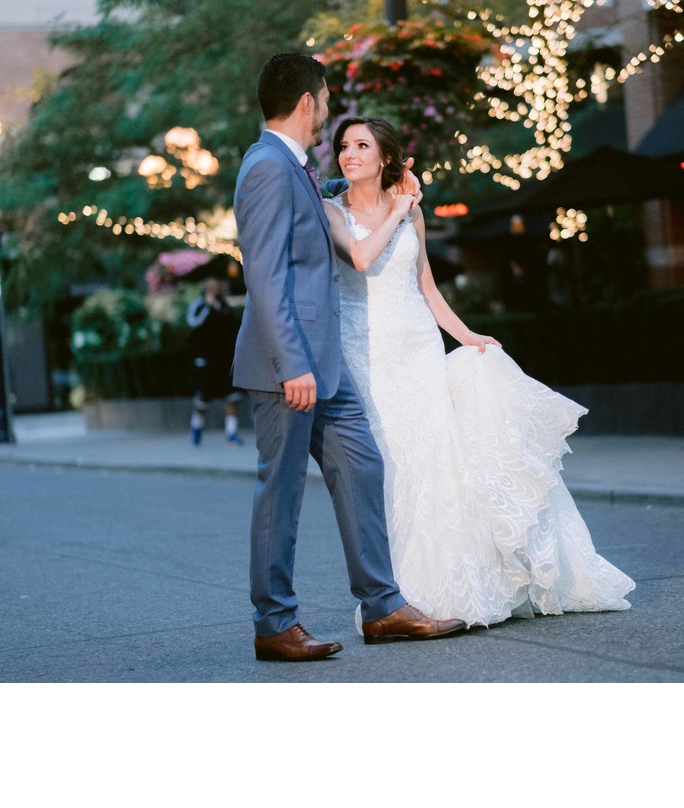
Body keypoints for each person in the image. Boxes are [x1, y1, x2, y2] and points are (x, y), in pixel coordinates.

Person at [323, 116, 635, 628]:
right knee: (393, 467)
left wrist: (466, 336)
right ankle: (397, 595)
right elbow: (358, 257)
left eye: (361, 145)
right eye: (343, 146)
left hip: (419, 347)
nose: (349, 153)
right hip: (367, 352)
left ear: (384, 158)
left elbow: (426, 287)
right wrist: (400, 205)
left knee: (437, 459)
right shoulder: (331, 210)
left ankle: (460, 584)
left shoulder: (412, 216)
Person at [231, 53, 466, 661]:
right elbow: (264, 274)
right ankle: (275, 624)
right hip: (291, 369)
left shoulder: (294, 168)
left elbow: (325, 199)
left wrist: (390, 187)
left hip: (324, 367)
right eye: (328, 99)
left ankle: (383, 606)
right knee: (280, 493)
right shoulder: (265, 167)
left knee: (362, 467)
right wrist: (292, 365)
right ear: (309, 101)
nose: (330, 109)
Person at [186, 277, 243, 446]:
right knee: (202, 400)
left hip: (224, 359)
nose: (214, 288)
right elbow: (192, 324)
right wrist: (207, 307)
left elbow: (232, 327)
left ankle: (231, 432)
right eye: (211, 285)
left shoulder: (224, 305)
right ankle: (196, 426)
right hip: (205, 359)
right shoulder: (198, 305)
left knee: (232, 397)